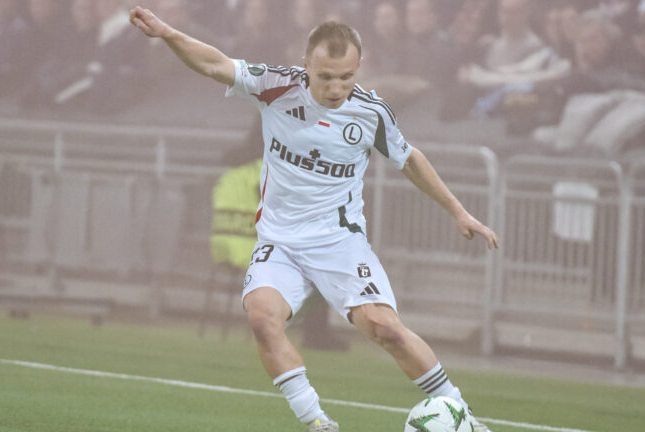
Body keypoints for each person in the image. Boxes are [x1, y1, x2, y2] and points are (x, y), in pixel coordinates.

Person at [130, 6, 498, 432]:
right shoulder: (276, 87)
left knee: (385, 329)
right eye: (326, 77)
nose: (337, 87)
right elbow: (214, 63)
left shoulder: (370, 113)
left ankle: (461, 414)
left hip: (339, 243)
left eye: (346, 76)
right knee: (261, 316)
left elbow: (410, 159)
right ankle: (318, 422)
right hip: (280, 242)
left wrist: (459, 211)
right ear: (306, 66)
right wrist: (168, 33)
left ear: (359, 67)